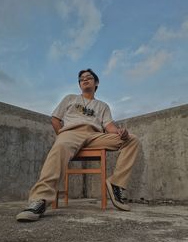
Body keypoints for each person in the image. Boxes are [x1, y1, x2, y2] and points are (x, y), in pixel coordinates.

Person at [16, 69, 139, 222]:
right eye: (81, 79)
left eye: (89, 77)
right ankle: (39, 200)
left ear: (96, 83)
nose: (85, 80)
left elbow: (109, 127)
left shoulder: (102, 106)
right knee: (60, 147)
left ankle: (116, 183)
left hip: (94, 136)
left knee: (132, 139)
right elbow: (55, 119)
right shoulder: (70, 99)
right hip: (71, 133)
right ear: (80, 84)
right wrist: (62, 136)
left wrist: (121, 132)